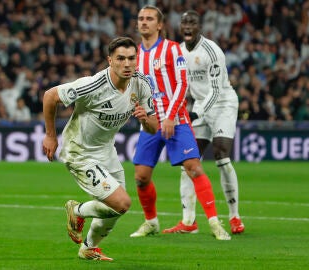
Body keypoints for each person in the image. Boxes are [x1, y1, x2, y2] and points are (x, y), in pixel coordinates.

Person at [42, 36, 158, 261]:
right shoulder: (94, 84)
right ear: (110, 60)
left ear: (137, 59)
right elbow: (50, 96)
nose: (127, 64)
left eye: (131, 58)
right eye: (120, 59)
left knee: (117, 209)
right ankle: (76, 211)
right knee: (122, 202)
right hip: (80, 152)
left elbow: (153, 127)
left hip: (106, 150)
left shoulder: (142, 83)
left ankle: (88, 248)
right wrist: (50, 135)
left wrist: (145, 119)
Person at [130, 5, 231, 240]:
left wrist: (170, 116)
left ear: (159, 25)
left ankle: (215, 223)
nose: (144, 22)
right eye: (141, 19)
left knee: (194, 168)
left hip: (176, 120)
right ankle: (151, 222)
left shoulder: (172, 49)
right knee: (141, 177)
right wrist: (141, 112)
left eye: (149, 19)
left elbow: (182, 84)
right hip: (150, 121)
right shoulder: (135, 55)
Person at [163, 10, 244, 234]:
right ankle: (188, 222)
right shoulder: (178, 51)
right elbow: (179, 84)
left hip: (223, 104)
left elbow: (216, 89)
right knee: (189, 160)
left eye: (192, 22)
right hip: (198, 107)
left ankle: (235, 217)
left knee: (221, 155)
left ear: (200, 27)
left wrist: (197, 114)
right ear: (180, 26)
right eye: (184, 22)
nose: (188, 26)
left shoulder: (212, 50)